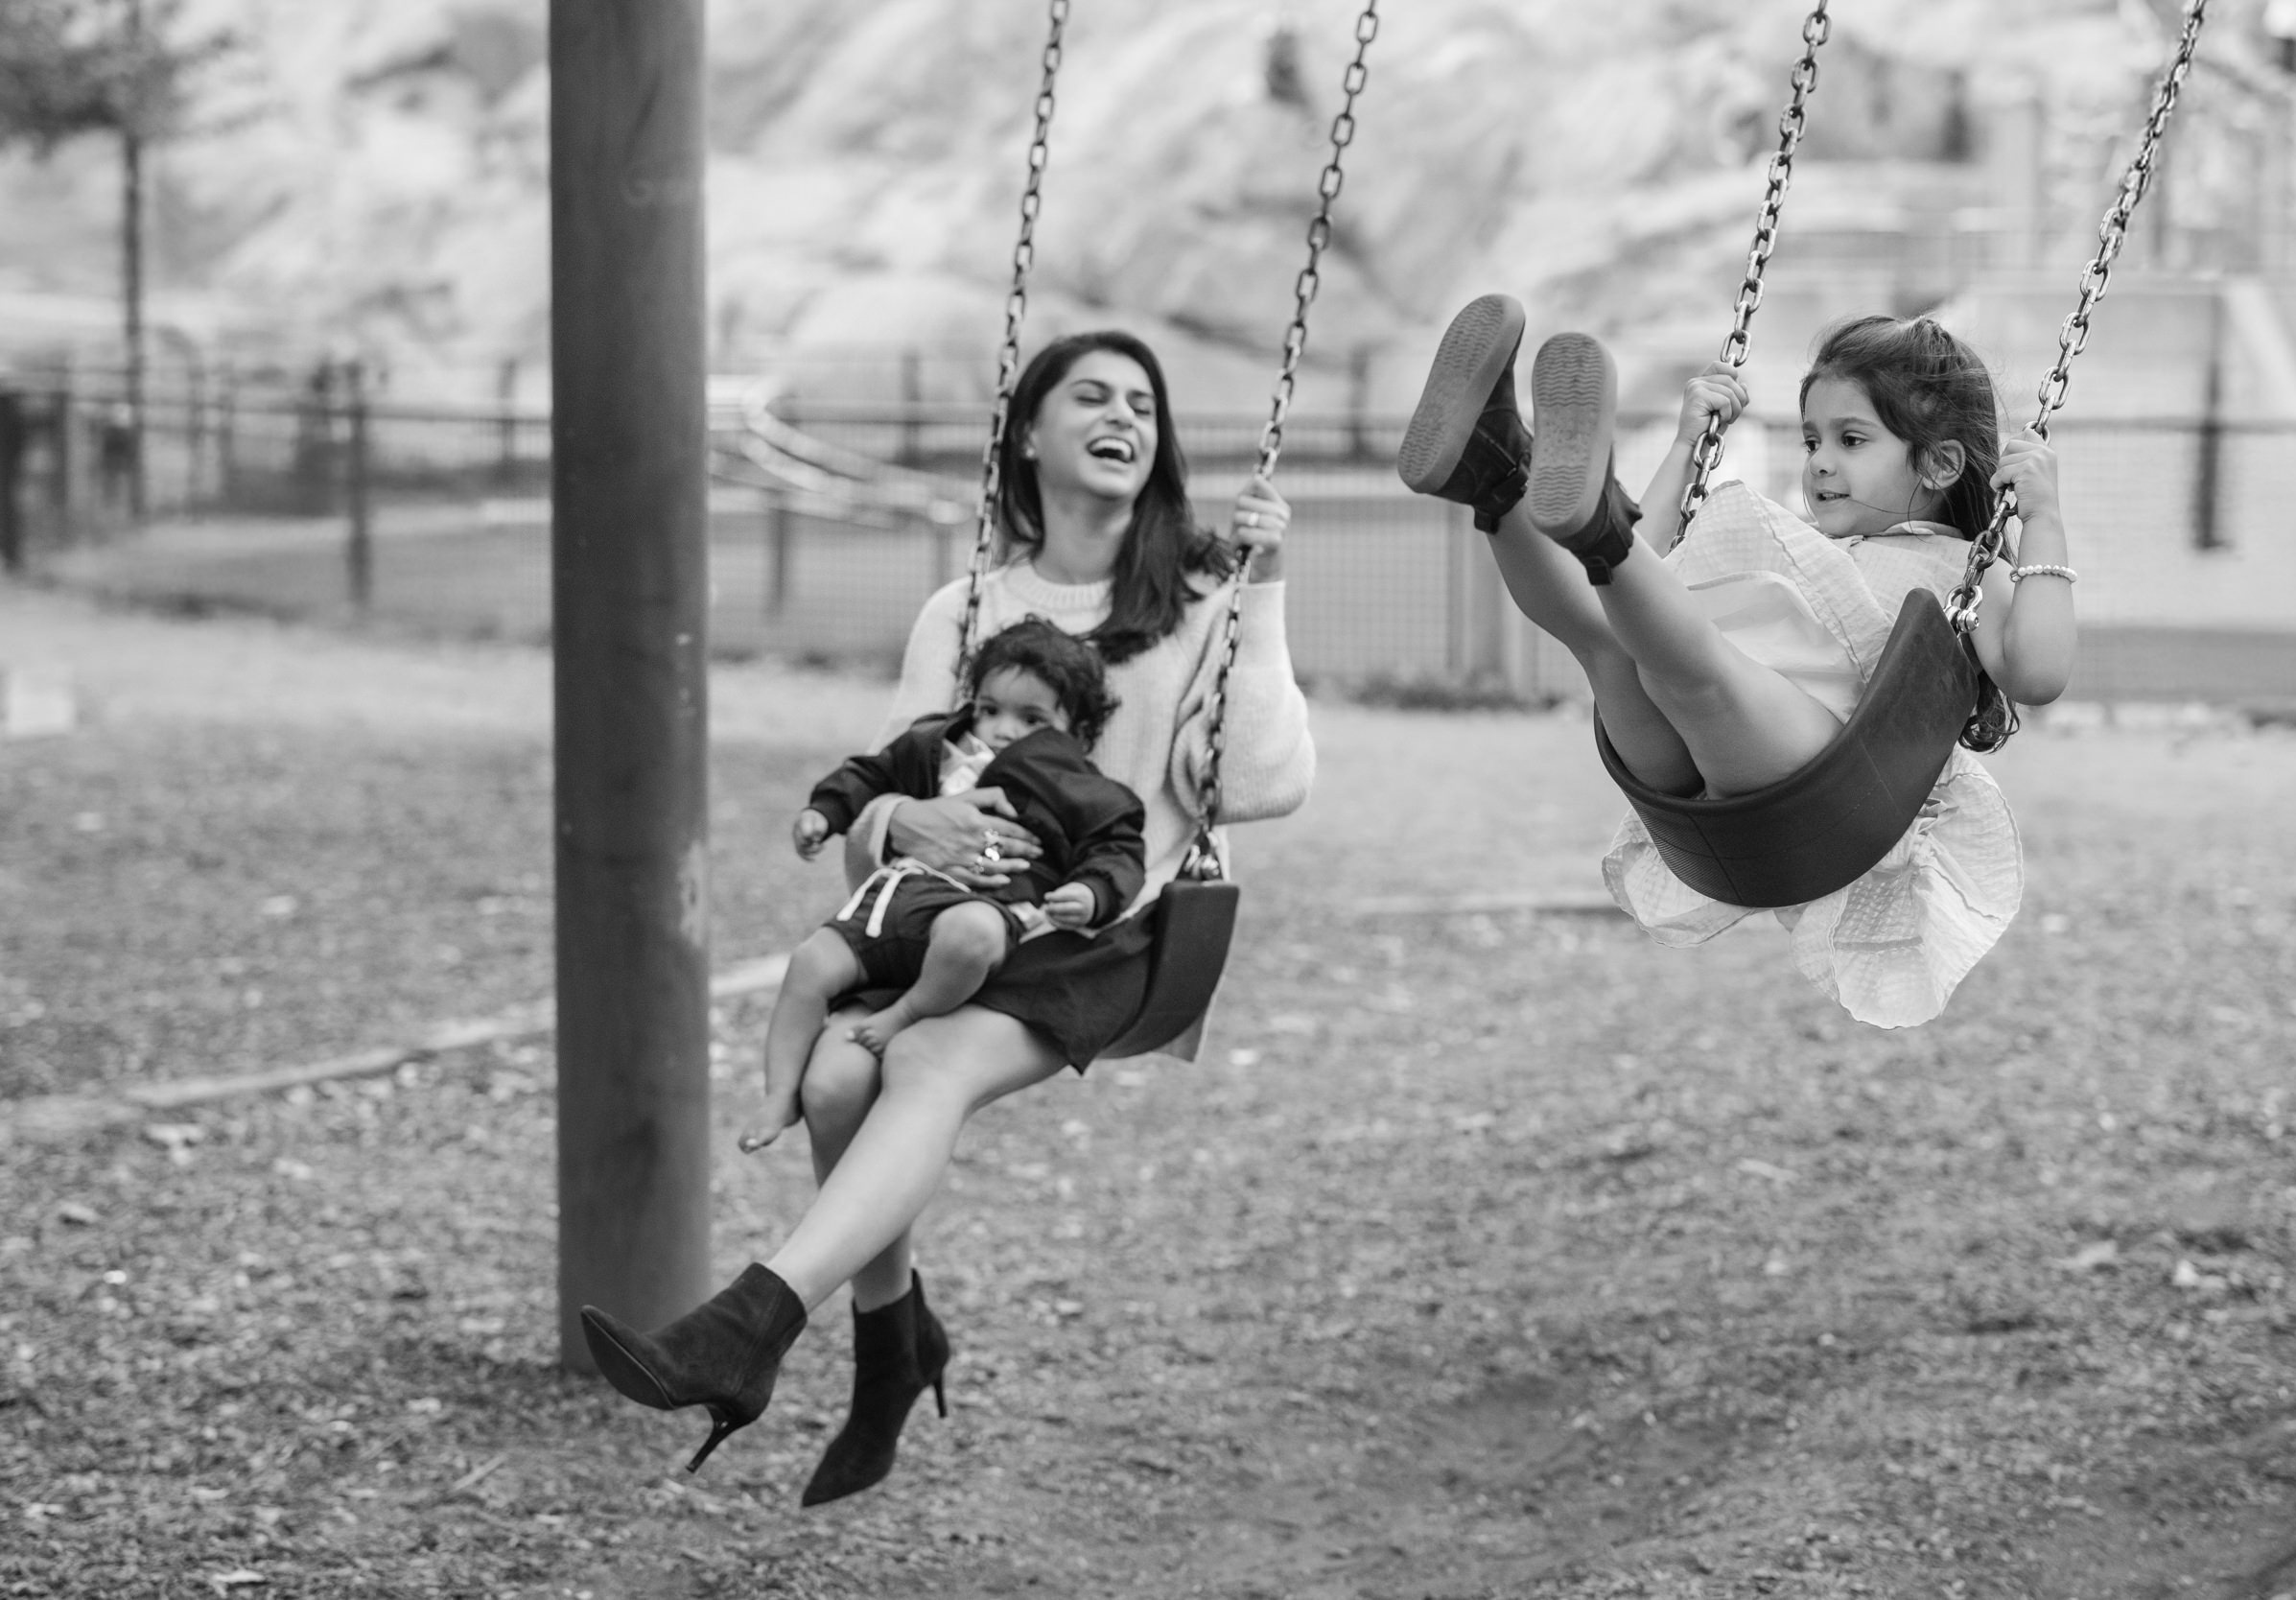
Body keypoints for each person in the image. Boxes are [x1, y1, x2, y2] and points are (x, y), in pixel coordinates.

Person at [579, 329, 1314, 1503]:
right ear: (1029, 434)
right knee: (830, 1082)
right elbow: (889, 794)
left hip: (1102, 931)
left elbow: (1263, 785)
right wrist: (895, 826)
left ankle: (746, 1327)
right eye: (1090, 395)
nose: (1123, 413)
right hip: (947, 917)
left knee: (915, 1061)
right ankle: (892, 1343)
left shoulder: (1197, 600)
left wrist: (1260, 596)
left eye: (1142, 401)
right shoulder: (964, 609)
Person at [1398, 297, 2075, 1027]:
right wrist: (1688, 444)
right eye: (1813, 438)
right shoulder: (1806, 555)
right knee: (1606, 639)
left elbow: (2037, 673)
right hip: (1687, 765)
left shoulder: (1963, 568)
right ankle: (1494, 474)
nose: (1819, 462)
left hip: (1819, 779)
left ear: (1941, 463)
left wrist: (2043, 522)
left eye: (1852, 440)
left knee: (1697, 662)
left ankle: (1595, 517)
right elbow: (1648, 569)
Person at [738, 616, 1147, 1156]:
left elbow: (1116, 847)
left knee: (971, 934)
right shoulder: (931, 746)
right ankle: (778, 1093)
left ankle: (902, 1015)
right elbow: (870, 775)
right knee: (810, 963)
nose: (1002, 729)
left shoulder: (1075, 786)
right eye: (989, 709)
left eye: (1031, 718)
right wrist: (826, 810)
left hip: (981, 907)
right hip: (893, 907)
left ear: (1077, 732)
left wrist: (1093, 894)